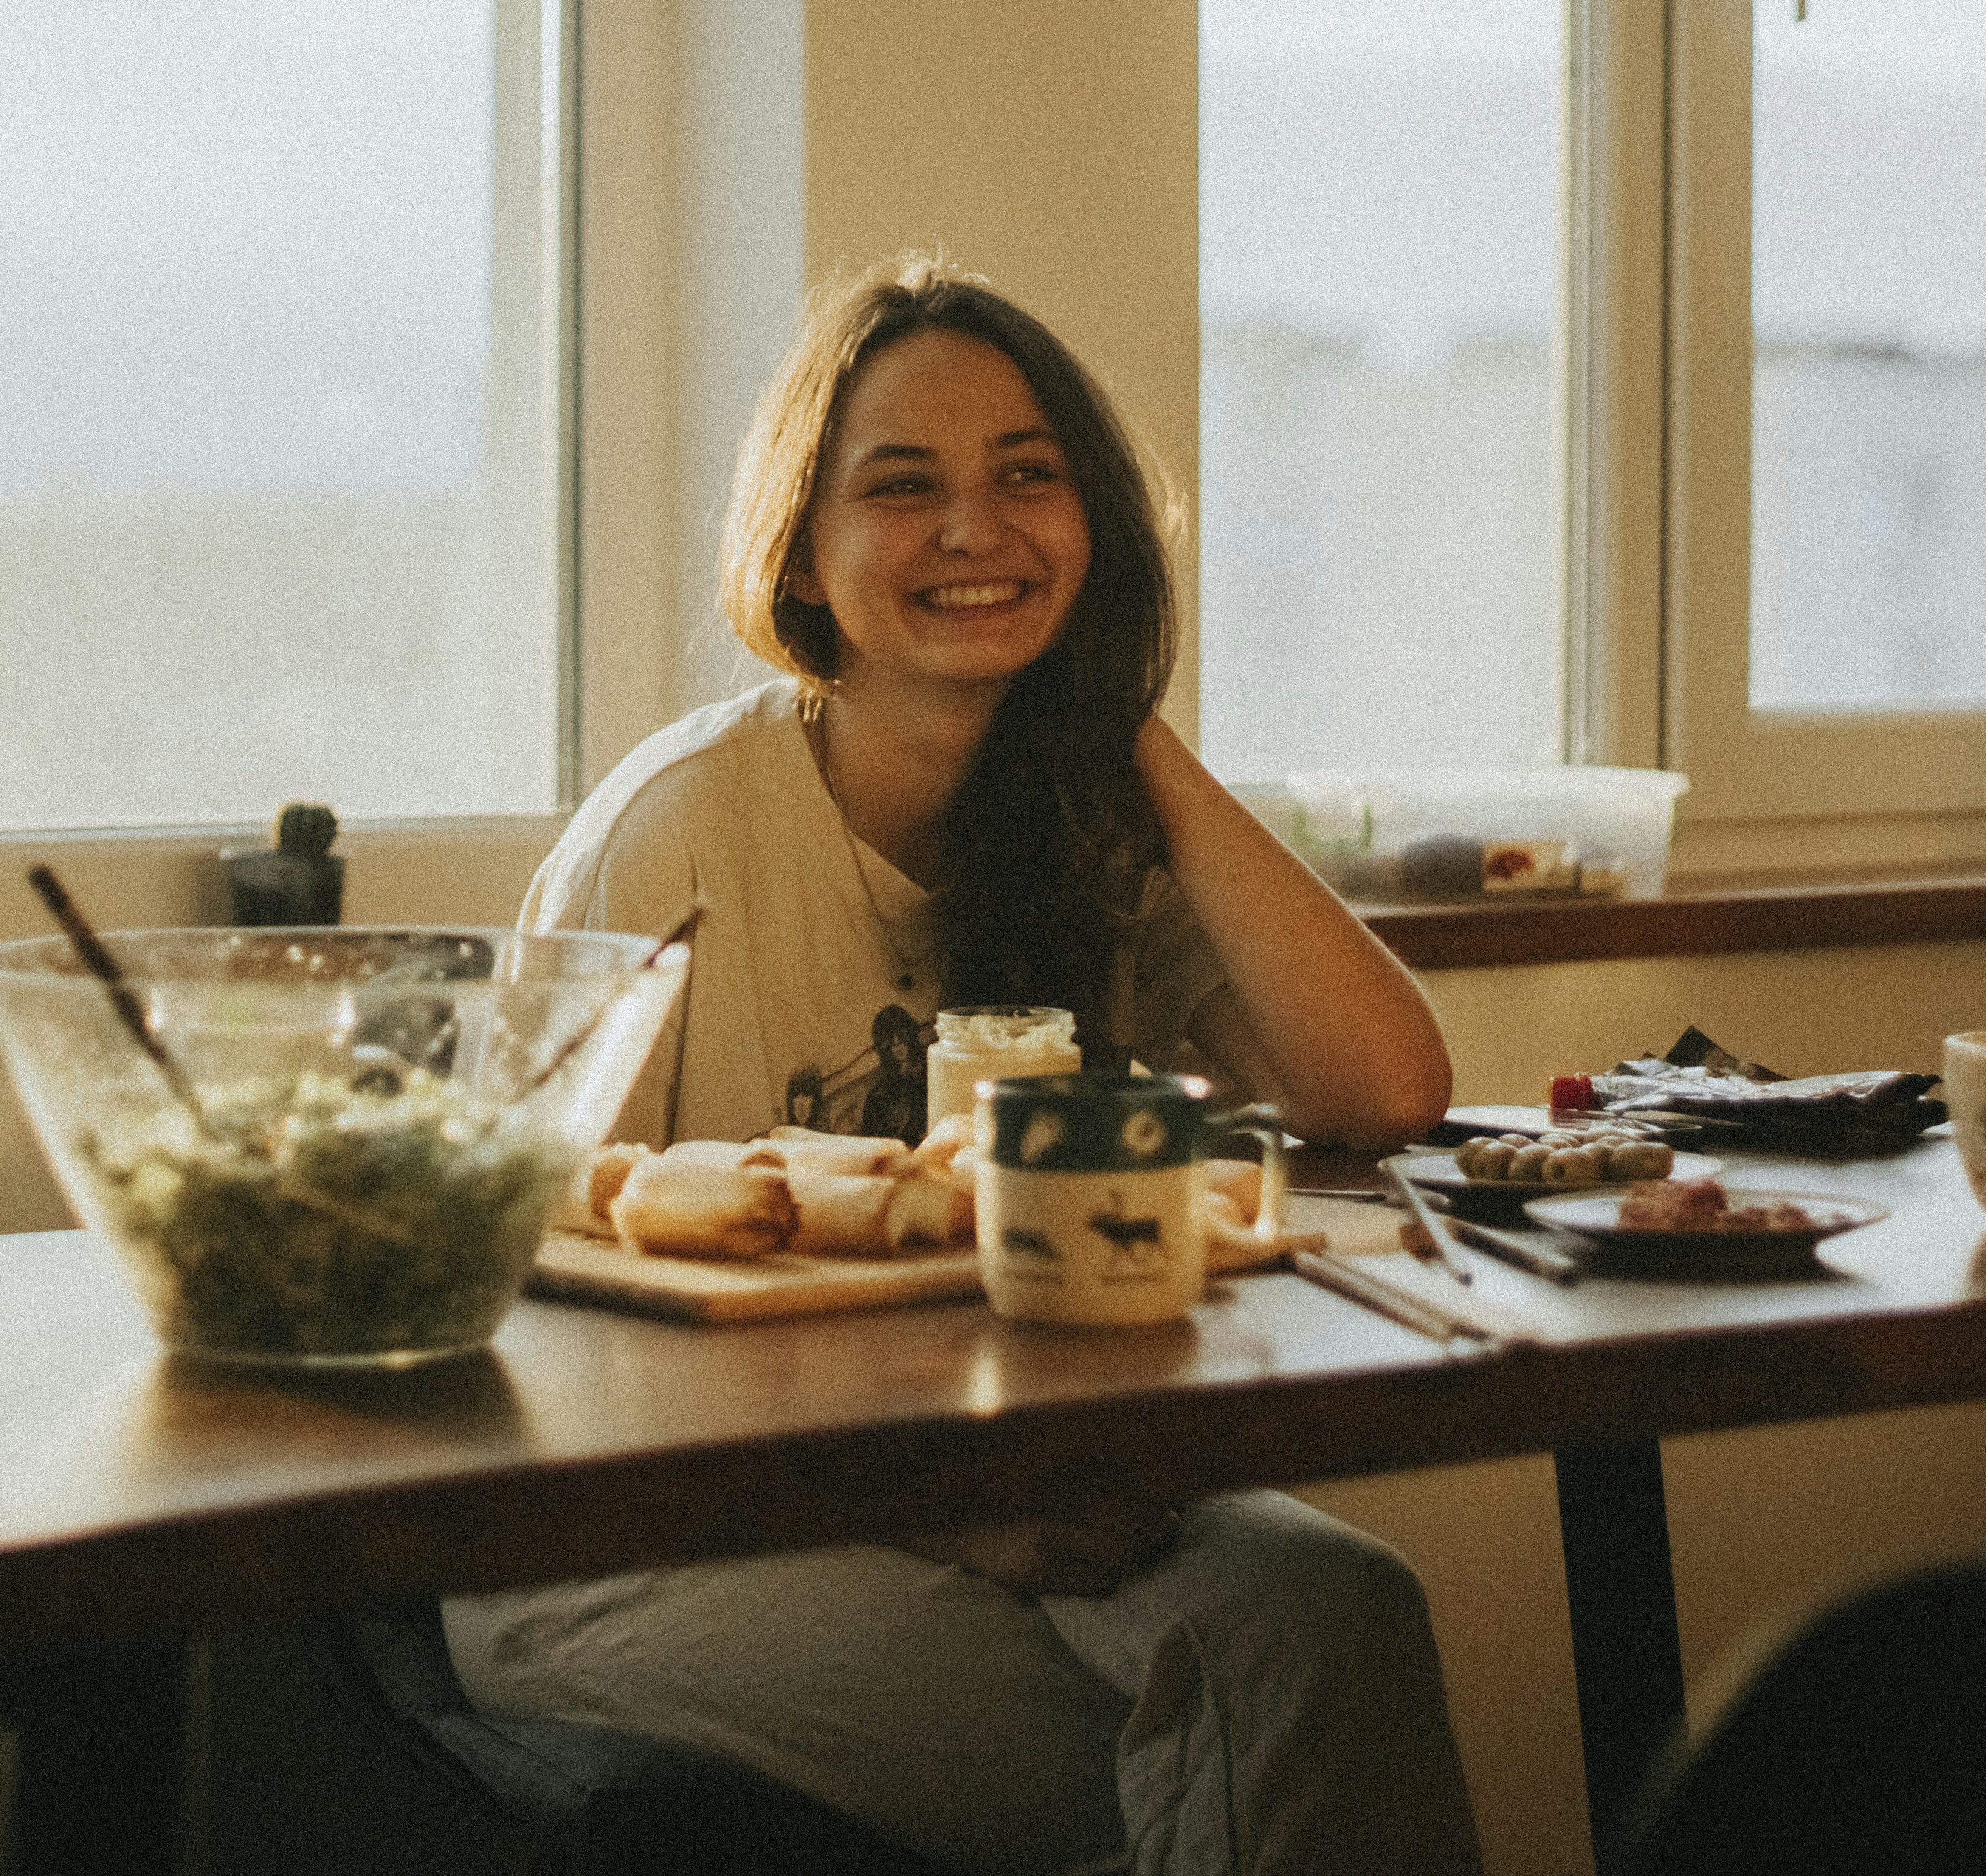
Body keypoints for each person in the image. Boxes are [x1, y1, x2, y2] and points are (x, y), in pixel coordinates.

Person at [444, 260, 1485, 1876]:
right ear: (802, 547)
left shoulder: (1089, 833)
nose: (971, 527)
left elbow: (1384, 1089)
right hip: (625, 1535)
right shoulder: (682, 835)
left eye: (1025, 478)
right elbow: (516, 1315)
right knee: (1279, 1727)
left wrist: (1129, 735)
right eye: (902, 486)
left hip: (1025, 1483)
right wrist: (938, 1514)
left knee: (1339, 1612)